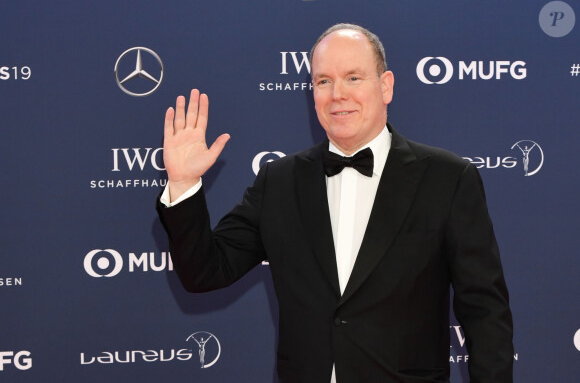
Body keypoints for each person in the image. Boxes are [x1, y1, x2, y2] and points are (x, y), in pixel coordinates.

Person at [157, 23, 514, 382]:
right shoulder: (278, 182)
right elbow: (204, 273)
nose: (337, 94)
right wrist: (184, 183)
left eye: (353, 78)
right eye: (323, 81)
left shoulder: (447, 178)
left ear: (386, 86)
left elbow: (485, 312)